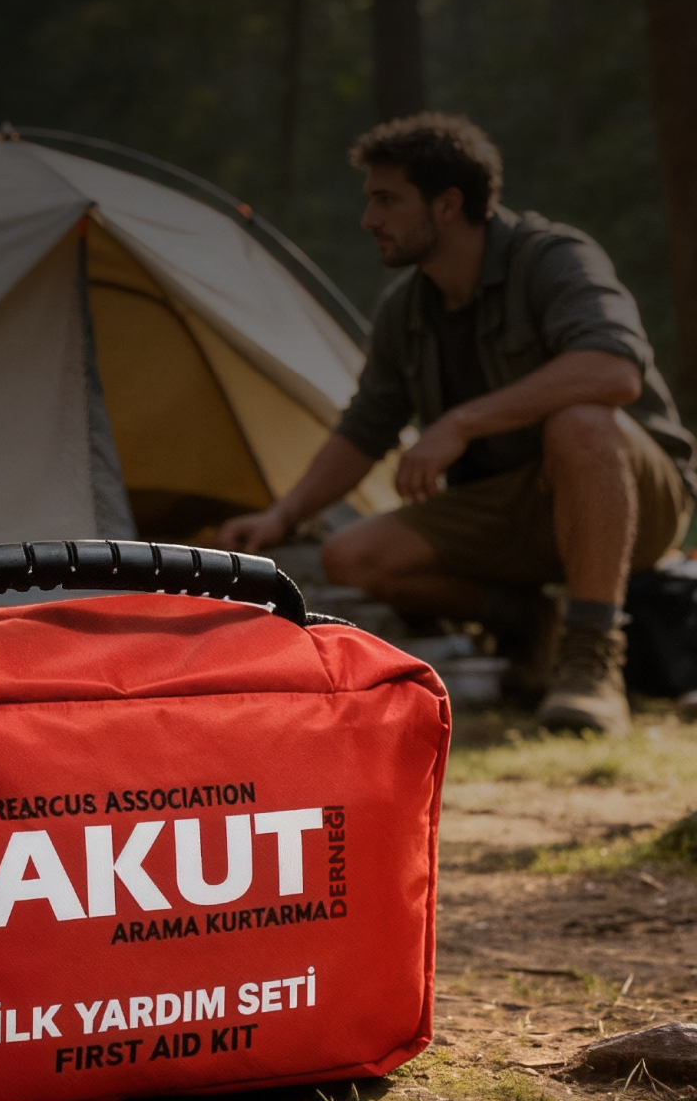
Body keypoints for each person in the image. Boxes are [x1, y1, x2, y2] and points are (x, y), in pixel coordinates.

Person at [219, 114, 696, 735]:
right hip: (507, 510)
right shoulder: (405, 308)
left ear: (447, 205)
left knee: (581, 422)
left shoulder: (553, 258)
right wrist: (282, 516)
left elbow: (613, 370)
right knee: (352, 556)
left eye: (387, 200)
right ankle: (526, 623)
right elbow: (365, 428)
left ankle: (591, 661)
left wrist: (462, 423)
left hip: (634, 501)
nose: (369, 220)